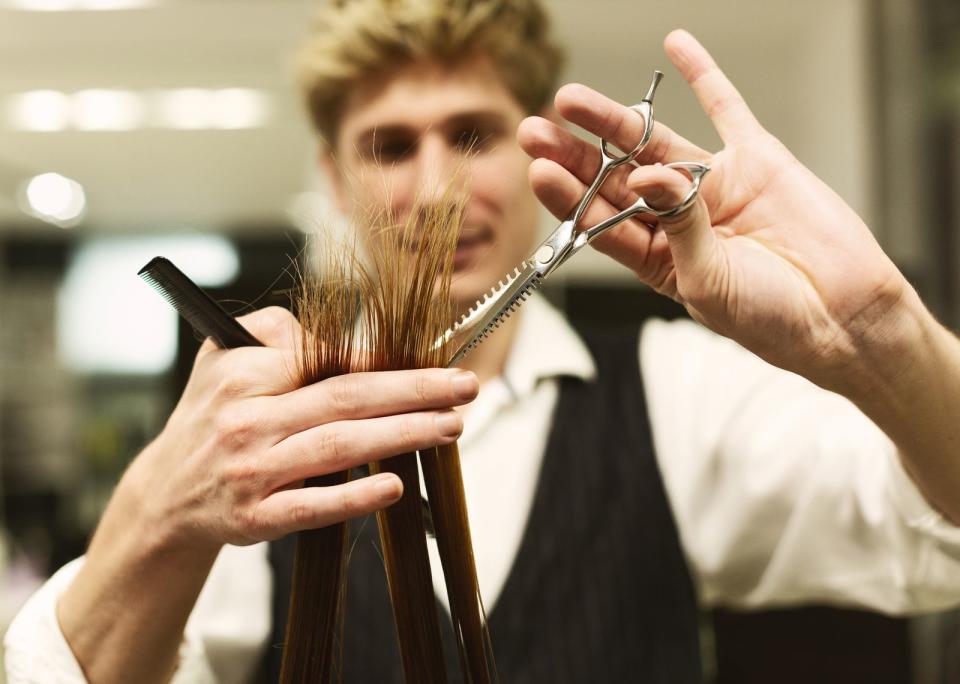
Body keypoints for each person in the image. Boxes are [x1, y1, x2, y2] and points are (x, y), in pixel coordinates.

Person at [6, 0, 960, 682]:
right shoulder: (258, 444)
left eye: (473, 133)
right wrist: (156, 516)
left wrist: (882, 330)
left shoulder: (678, 391)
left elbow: (932, 539)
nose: (437, 190)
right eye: (391, 145)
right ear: (334, 180)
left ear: (534, 147)